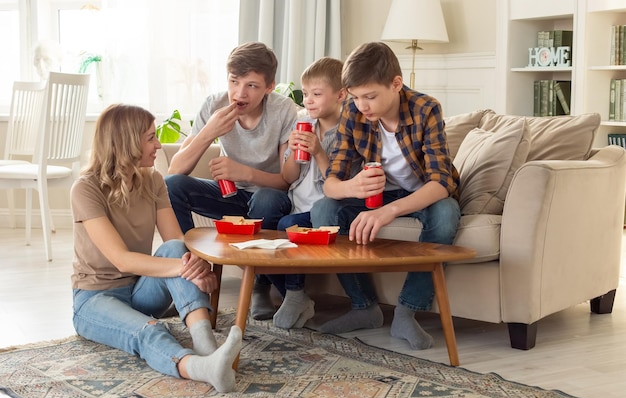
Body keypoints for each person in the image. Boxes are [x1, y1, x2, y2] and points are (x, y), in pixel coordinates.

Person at [71, 104, 242, 393]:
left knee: (177, 248)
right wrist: (188, 269)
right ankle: (202, 368)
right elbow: (121, 260)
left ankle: (207, 346)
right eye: (150, 137)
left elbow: (177, 243)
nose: (158, 144)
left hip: (140, 290)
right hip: (95, 298)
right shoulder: (85, 189)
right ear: (127, 142)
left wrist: (194, 267)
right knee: (149, 331)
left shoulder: (153, 181)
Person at [310, 42, 461, 350]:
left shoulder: (425, 109)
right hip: (374, 196)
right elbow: (331, 183)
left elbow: (442, 182)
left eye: (370, 96)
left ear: (396, 84)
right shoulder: (353, 112)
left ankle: (407, 313)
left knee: (446, 212)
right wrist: (351, 188)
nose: (362, 105)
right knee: (322, 212)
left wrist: (388, 212)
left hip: (420, 196)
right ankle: (364, 307)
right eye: (355, 97)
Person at [164, 41, 297, 320]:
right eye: (234, 82)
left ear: (269, 87)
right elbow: (175, 170)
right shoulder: (215, 105)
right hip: (230, 198)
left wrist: (244, 173)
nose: (239, 93)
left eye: (251, 85)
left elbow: (285, 181)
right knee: (173, 186)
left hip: (269, 198)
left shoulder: (283, 110)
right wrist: (208, 131)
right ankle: (191, 277)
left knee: (267, 198)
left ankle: (260, 286)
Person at [260, 57, 349, 329]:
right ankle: (295, 297)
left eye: (317, 94)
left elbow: (340, 185)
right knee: (266, 232)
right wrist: (293, 152)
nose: (308, 101)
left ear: (341, 95)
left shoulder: (348, 132)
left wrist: (319, 151)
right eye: (306, 94)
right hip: (297, 204)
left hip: (325, 209)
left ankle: (296, 294)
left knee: (288, 225)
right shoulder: (303, 123)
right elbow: (288, 178)